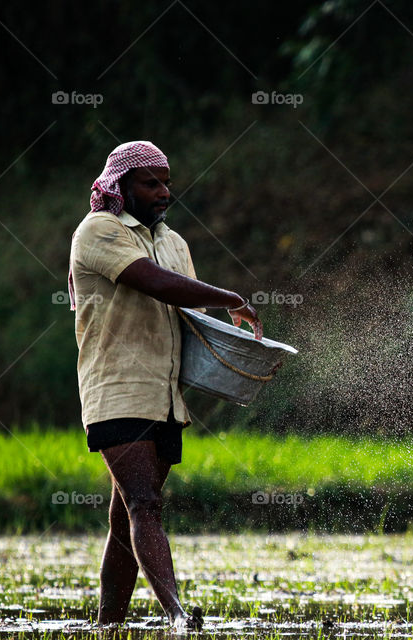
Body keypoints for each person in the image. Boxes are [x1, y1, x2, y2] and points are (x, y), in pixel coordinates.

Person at [68, 141, 262, 631]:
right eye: (150, 183)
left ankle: (107, 625)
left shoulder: (175, 243)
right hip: (117, 392)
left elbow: (189, 318)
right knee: (145, 505)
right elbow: (156, 284)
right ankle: (177, 615)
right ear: (120, 186)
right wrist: (232, 297)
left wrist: (241, 358)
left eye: (167, 182)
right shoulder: (97, 231)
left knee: (124, 522)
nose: (163, 192)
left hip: (166, 398)